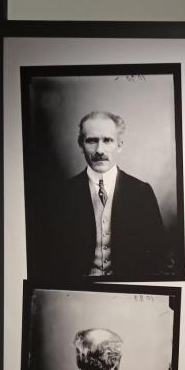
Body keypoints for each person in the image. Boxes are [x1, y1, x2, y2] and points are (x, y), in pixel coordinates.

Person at [39, 111, 167, 278]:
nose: (99, 150)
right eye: (91, 141)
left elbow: (158, 255)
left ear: (119, 145)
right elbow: (49, 257)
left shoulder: (142, 192)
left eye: (107, 140)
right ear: (81, 145)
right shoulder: (60, 195)